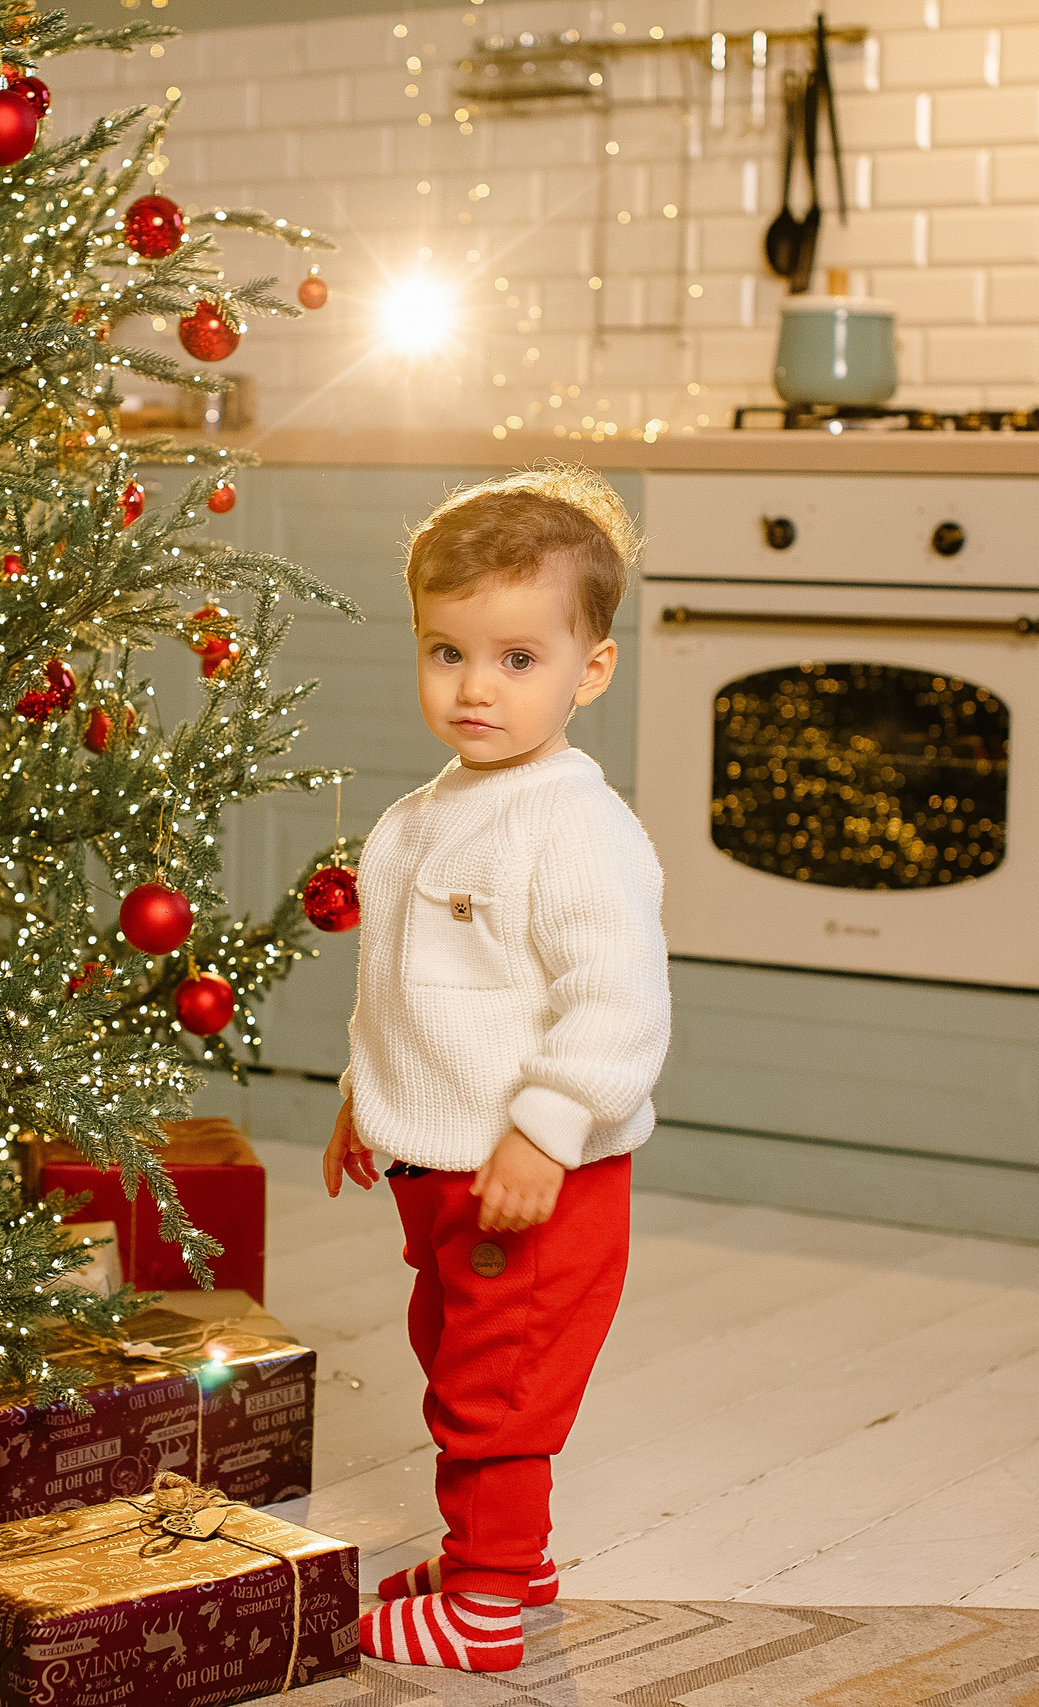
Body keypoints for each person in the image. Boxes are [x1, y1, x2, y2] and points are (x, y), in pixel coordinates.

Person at [324, 464, 672, 1673]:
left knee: (494, 1394)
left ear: (590, 670)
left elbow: (617, 1005)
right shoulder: (423, 815)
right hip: (442, 1170)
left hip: (536, 1180)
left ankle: (478, 1611)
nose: (475, 687)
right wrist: (363, 1102)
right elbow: (404, 987)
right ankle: (508, 1560)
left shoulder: (573, 824)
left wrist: (546, 1127)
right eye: (446, 651)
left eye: (517, 659)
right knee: (459, 1358)